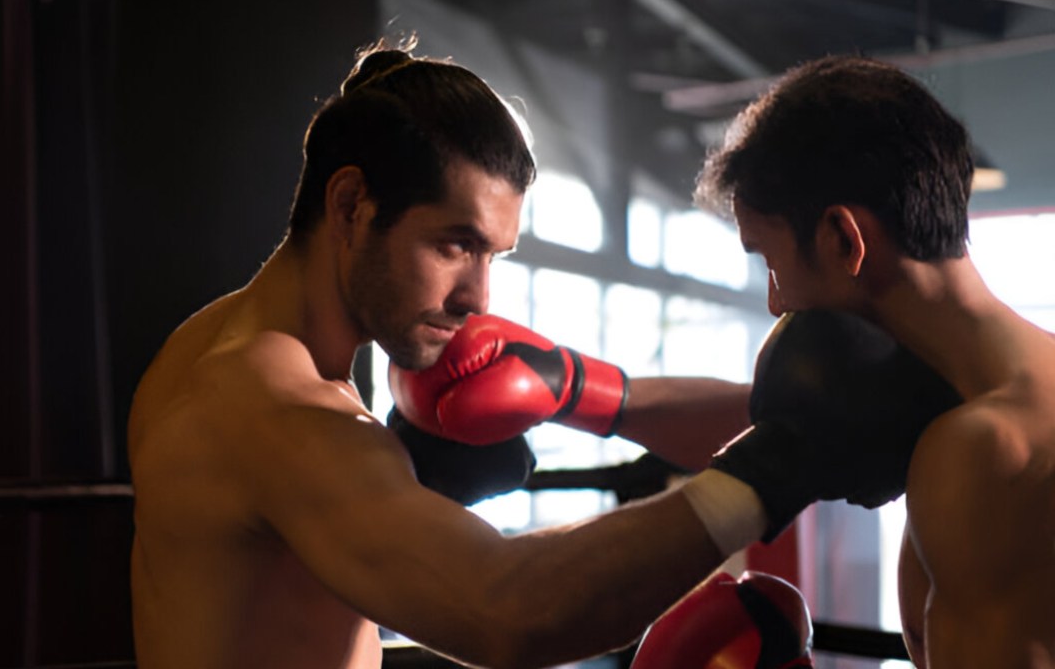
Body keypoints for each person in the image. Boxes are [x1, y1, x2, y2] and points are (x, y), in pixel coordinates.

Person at [127, 39, 934, 669]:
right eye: (454, 244)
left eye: (494, 257)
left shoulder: (228, 346)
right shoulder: (269, 405)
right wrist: (775, 470)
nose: (478, 297)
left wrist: (587, 392)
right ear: (351, 204)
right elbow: (503, 612)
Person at [693, 54, 1055, 669]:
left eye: (770, 261)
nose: (776, 299)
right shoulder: (995, 398)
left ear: (842, 238)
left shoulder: (982, 448)